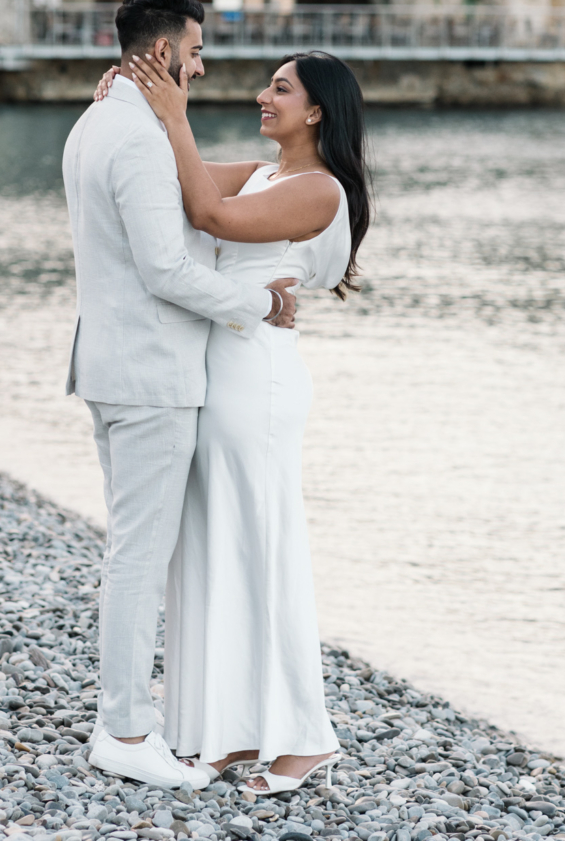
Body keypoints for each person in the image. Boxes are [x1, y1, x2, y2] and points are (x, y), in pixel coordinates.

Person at [62, 0, 300, 791]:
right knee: (138, 555)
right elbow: (165, 267)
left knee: (137, 549)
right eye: (195, 52)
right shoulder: (132, 136)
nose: (201, 66)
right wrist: (257, 305)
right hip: (152, 376)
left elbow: (196, 185)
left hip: (116, 366)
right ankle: (126, 730)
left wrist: (280, 172)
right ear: (163, 53)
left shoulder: (102, 119)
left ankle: (128, 721)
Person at [117, 46, 371, 799]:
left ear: (316, 109)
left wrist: (173, 109)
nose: (264, 95)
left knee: (262, 551)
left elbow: (208, 212)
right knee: (209, 549)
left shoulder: (319, 190)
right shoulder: (268, 172)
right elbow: (171, 174)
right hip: (215, 372)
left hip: (255, 380)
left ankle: (304, 739)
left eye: (280, 88)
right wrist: (128, 97)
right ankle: (227, 732)